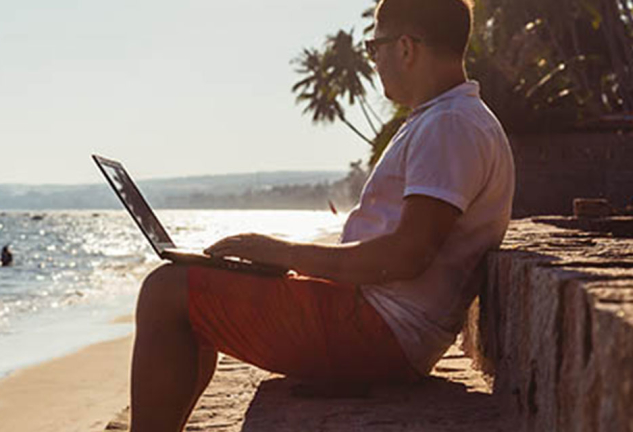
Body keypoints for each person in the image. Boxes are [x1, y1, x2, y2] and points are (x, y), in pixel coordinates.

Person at [129, 0, 515, 430]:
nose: (374, 60)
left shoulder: (449, 125)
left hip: (382, 332)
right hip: (381, 320)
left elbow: (407, 255)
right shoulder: (447, 118)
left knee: (166, 292)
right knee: (194, 291)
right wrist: (281, 266)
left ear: (406, 48)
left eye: (375, 46)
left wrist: (284, 253)